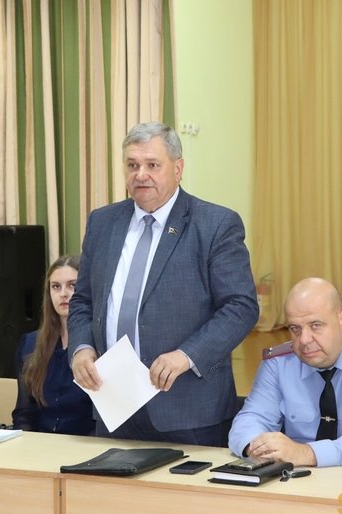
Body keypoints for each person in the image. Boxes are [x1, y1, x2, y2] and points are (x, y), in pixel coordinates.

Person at [68, 121, 259, 446]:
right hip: (114, 404)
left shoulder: (214, 224)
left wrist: (186, 355)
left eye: (152, 165)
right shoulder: (102, 223)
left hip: (188, 409)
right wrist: (81, 348)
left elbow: (241, 307)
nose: (141, 175)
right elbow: (83, 301)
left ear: (178, 168)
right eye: (132, 165)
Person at [229, 277, 342, 467]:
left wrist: (307, 453)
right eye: (295, 328)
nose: (304, 339)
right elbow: (250, 420)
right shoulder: (278, 363)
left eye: (315, 326)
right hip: (301, 478)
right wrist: (258, 448)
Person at [12, 255, 93, 435]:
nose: (63, 293)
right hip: (43, 444)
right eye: (56, 286)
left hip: (89, 443)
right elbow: (24, 413)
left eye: (72, 285)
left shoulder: (97, 344)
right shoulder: (30, 344)